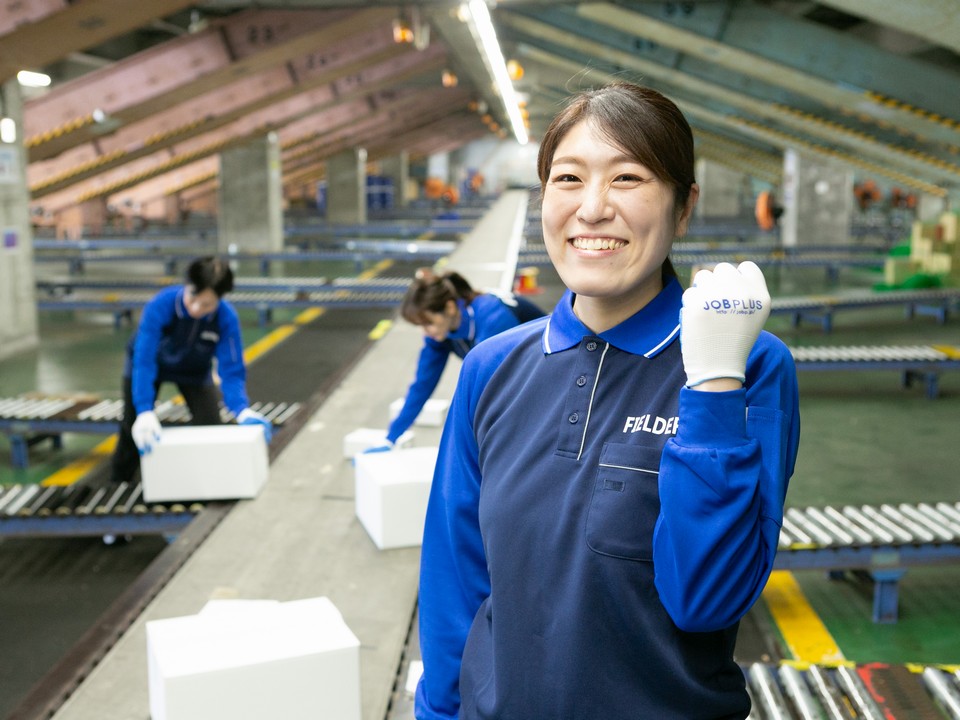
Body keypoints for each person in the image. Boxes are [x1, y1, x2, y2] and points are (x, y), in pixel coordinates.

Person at [415, 82, 801, 719]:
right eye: (567, 178)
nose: (592, 209)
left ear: (682, 208)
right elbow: (456, 577)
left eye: (628, 178)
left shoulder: (751, 366)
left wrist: (711, 385)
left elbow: (707, 599)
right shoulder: (492, 366)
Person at [109, 256, 273, 485]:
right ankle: (119, 483)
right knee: (133, 426)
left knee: (210, 425)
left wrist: (241, 409)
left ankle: (205, 484)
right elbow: (144, 362)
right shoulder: (160, 306)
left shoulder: (226, 319)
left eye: (207, 305)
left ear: (220, 299)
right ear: (187, 287)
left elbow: (232, 370)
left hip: (193, 371)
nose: (197, 309)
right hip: (150, 366)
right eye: (193, 299)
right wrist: (145, 410)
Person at [369, 267, 545, 451]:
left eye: (428, 323)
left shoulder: (491, 317)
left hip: (553, 368)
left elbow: (491, 387)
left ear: (450, 308)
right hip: (524, 375)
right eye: (421, 325)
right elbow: (422, 385)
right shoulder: (440, 336)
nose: (426, 331)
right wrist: (391, 437)